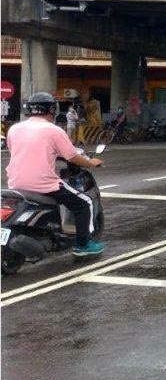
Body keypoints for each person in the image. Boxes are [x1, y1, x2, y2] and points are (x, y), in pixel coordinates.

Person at [5, 92, 105, 257]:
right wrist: (91, 163)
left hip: (16, 183)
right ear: (52, 109)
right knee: (84, 202)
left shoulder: (14, 129)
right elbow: (72, 156)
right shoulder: (54, 130)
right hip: (44, 184)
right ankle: (84, 245)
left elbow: (18, 150)